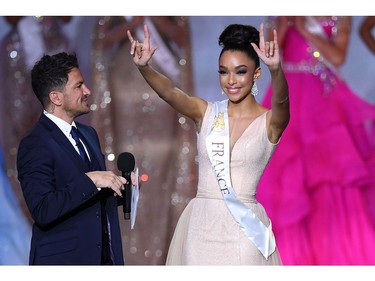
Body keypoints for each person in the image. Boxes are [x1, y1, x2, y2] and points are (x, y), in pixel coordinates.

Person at [127, 22, 289, 265]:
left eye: (240, 71)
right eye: (224, 71)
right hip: (200, 227)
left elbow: (283, 102)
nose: (231, 80)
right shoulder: (206, 112)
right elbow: (170, 92)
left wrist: (276, 70)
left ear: (256, 73)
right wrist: (145, 68)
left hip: (245, 231)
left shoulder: (270, 122)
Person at [257, 16, 375, 265]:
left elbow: (338, 58)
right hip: (287, 97)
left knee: (329, 177)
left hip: (321, 99)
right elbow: (269, 57)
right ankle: (292, 256)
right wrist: (286, 25)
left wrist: (304, 29)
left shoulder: (339, 13)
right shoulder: (284, 14)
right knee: (286, 176)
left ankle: (332, 254)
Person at [89, 16, 198, 264]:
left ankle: (159, 254)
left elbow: (182, 36)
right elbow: (99, 39)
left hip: (161, 92)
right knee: (125, 172)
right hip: (124, 91)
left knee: (158, 175)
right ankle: (125, 255)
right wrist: (133, 20)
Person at [16, 52, 128, 265]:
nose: (87, 91)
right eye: (79, 86)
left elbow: (90, 200)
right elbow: (43, 209)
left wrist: (121, 187)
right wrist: (91, 179)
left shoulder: (88, 134)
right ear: (56, 97)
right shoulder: (35, 144)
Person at [0, 16, 73, 223]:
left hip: (54, 46)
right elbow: (10, 16)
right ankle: (30, 212)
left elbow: (68, 17)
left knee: (59, 130)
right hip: (19, 53)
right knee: (22, 131)